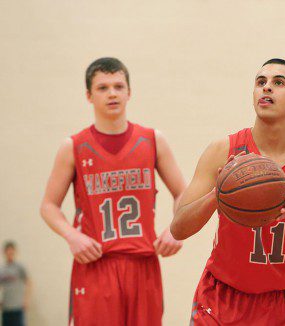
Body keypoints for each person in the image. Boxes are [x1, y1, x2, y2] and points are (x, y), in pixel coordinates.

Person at [171, 58, 285, 325]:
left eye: (278, 83)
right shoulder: (222, 151)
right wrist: (217, 196)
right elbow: (178, 228)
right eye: (260, 82)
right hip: (224, 298)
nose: (266, 88)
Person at [40, 57, 186, 326]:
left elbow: (183, 194)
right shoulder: (73, 147)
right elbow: (48, 205)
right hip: (96, 265)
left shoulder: (153, 140)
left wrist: (177, 229)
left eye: (119, 86)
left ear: (129, 92)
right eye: (103, 87)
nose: (112, 93)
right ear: (88, 95)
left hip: (143, 264)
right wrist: (72, 236)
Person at [0, 241, 31, 326]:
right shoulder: (2, 269)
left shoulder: (19, 267)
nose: (10, 253)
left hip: (18, 307)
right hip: (6, 309)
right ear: (5, 252)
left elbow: (29, 283)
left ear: (14, 252)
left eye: (11, 251)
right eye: (8, 251)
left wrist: (26, 300)